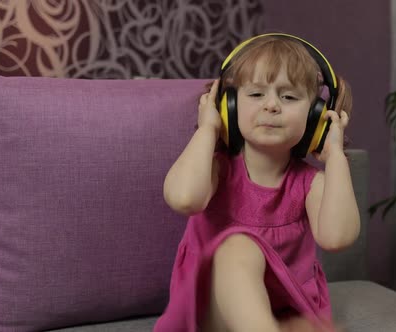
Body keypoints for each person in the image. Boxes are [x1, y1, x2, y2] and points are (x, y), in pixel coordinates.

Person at [153, 33, 360, 332]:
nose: (272, 106)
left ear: (316, 119)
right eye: (256, 94)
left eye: (288, 97)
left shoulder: (309, 185)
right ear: (229, 107)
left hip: (286, 313)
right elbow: (184, 198)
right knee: (239, 246)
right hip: (210, 311)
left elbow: (337, 238)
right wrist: (208, 129)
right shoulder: (217, 171)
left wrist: (336, 156)